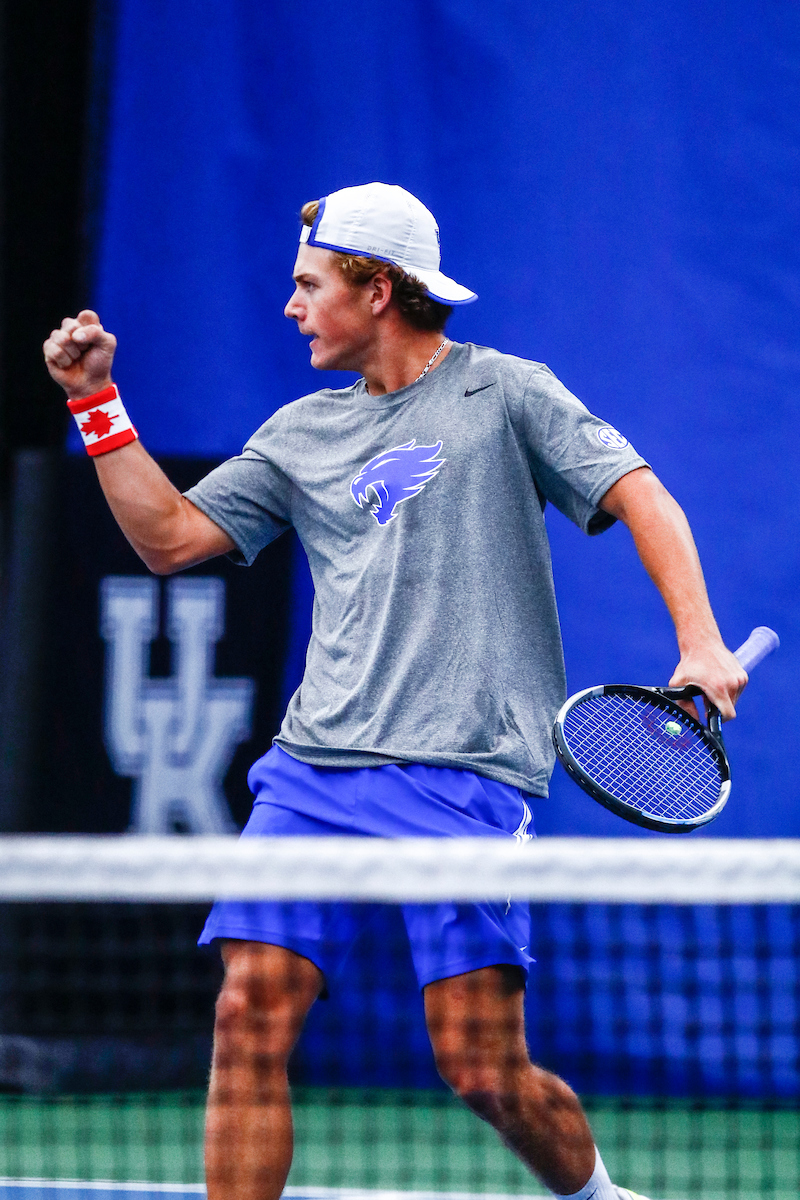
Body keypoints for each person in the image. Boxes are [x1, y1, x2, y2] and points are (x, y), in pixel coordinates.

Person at [44, 182, 746, 1200]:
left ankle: (598, 1198)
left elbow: (638, 493)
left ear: (376, 289)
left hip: (461, 774)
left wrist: (698, 640)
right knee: (246, 1013)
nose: (289, 306)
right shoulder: (299, 432)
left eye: (308, 284)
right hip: (311, 773)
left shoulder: (504, 393)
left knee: (478, 1067)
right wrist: (93, 403)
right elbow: (169, 539)